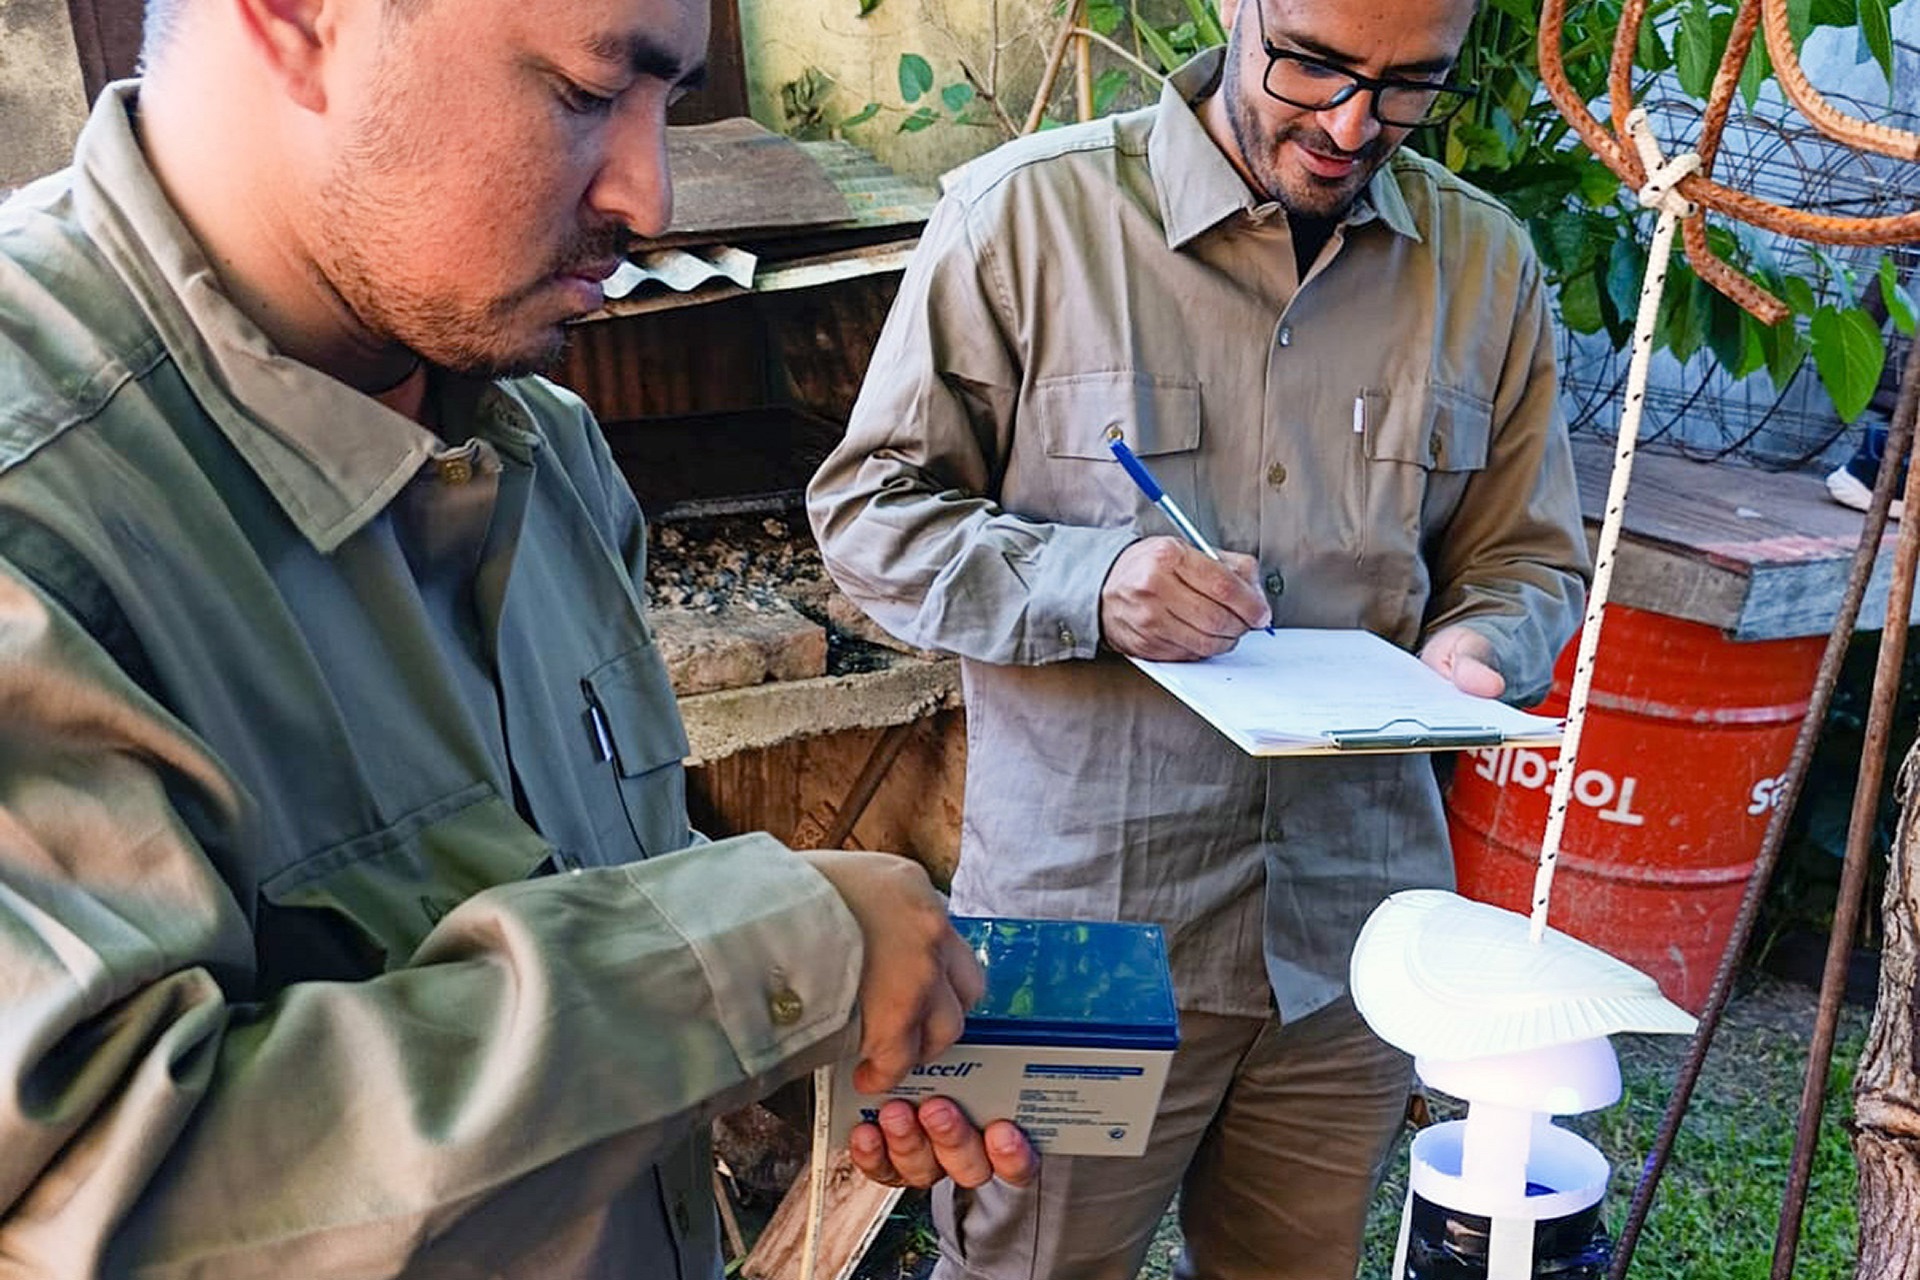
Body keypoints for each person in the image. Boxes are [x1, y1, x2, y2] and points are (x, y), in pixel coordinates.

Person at [0, 0, 1033, 1271]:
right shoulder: (36, 522)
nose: (653, 197)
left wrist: (787, 1029)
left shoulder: (540, 442)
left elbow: (593, 891)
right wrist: (760, 952)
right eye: (585, 92)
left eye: (670, 99)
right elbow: (88, 1203)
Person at [807, 0, 1592, 1273]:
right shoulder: (1024, 224)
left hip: (1357, 943)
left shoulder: (1485, 269)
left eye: (1408, 87)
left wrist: (1486, 647)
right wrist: (1092, 578)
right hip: (1086, 935)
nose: (1352, 125)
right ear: (1237, 9)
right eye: (1314, 65)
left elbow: (1525, 555)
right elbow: (867, 515)